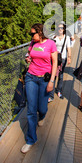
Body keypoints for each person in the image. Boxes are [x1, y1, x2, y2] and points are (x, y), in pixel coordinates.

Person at [21, 23, 58, 154]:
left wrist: (52, 81)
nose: (31, 36)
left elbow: (55, 63)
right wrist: (28, 59)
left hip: (44, 79)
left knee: (42, 107)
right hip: (31, 77)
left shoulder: (51, 44)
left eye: (33, 34)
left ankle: (42, 115)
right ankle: (31, 139)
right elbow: (30, 56)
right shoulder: (32, 44)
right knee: (31, 109)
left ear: (40, 32)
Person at [50, 22, 72, 101]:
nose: (60, 29)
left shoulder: (67, 38)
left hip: (63, 58)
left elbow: (68, 48)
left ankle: (59, 90)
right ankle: (51, 94)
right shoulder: (54, 37)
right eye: (59, 28)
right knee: (54, 75)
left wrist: (69, 57)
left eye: (62, 28)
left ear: (64, 29)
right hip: (54, 58)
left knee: (61, 75)